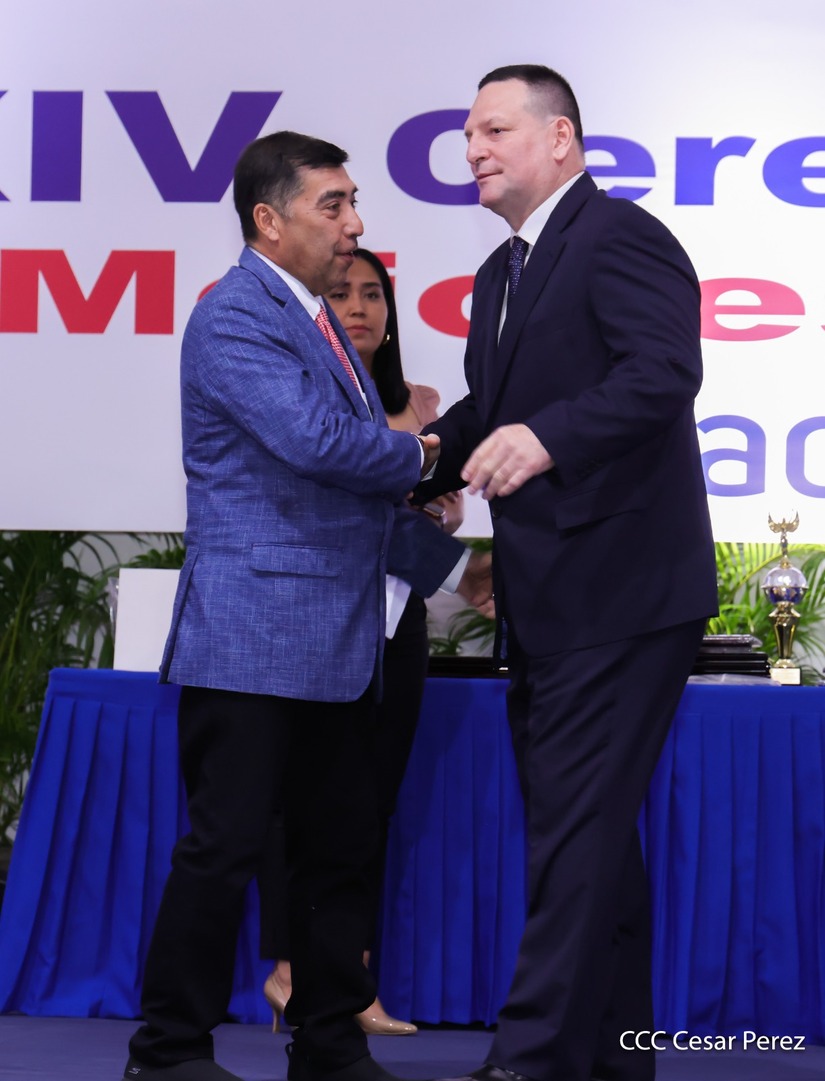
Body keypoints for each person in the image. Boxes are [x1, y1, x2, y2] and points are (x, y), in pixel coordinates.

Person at [121, 130, 491, 1081]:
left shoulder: (313, 315)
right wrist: (427, 451)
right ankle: (168, 1052)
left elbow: (342, 467)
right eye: (333, 204)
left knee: (338, 849)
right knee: (226, 848)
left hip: (342, 638)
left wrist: (424, 488)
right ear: (268, 219)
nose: (354, 222)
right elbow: (319, 443)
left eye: (353, 200)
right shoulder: (235, 315)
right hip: (253, 637)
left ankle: (328, 1044)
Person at [417, 66, 718, 1081]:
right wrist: (413, 464)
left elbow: (663, 371)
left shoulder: (618, 236)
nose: (473, 149)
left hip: (624, 590)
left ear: (561, 139)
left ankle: (530, 1060)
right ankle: (613, 1056)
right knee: (587, 836)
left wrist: (546, 437)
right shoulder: (499, 272)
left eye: (494, 130)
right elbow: (486, 413)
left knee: (575, 834)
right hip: (548, 599)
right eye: (467, 135)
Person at [259, 249, 465, 1037]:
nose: (359, 306)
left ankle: (352, 977)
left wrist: (439, 516)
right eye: (341, 292)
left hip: (399, 617)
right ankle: (292, 970)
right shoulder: (305, 395)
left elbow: (430, 513)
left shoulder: (424, 405)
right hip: (318, 613)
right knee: (307, 797)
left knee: (372, 801)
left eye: (372, 293)